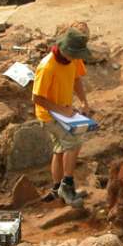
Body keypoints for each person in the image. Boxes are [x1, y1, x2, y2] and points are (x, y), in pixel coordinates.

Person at [32, 27, 92, 206]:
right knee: (74, 141)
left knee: (59, 150)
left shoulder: (73, 60)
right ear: (65, 50)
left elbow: (76, 79)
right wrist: (61, 110)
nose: (76, 58)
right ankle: (67, 185)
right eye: (74, 55)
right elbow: (36, 98)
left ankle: (57, 188)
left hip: (64, 112)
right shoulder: (47, 67)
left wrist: (84, 102)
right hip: (48, 115)